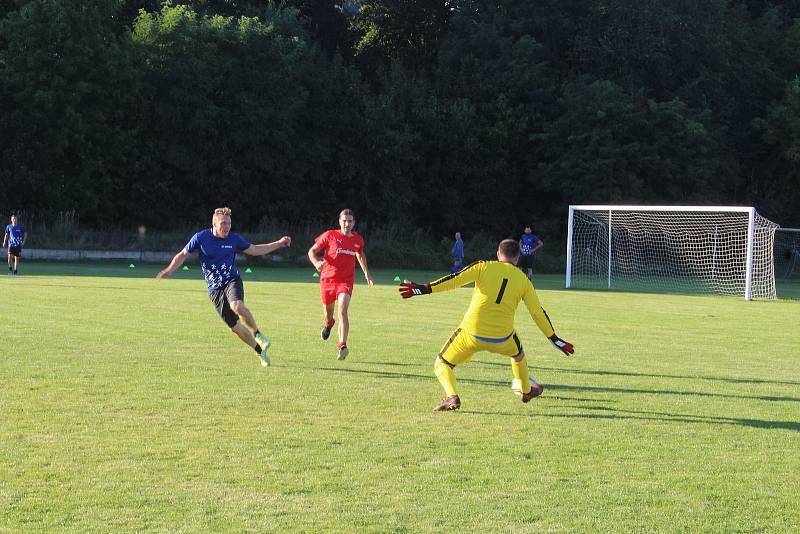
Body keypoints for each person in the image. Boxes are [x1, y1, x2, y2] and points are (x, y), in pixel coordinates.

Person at [399, 239, 574, 412]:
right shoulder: (524, 280)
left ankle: (452, 396)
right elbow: (537, 313)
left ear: (498, 254)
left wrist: (422, 289)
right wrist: (555, 339)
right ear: (518, 257)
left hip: (471, 333)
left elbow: (455, 279)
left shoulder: (483, 266)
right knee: (518, 355)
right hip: (503, 337)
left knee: (441, 364)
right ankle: (526, 391)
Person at [156, 207, 291, 368]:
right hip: (214, 290)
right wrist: (169, 270)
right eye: (223, 223)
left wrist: (278, 243)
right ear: (213, 224)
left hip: (232, 280)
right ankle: (260, 352)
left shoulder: (234, 239)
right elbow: (182, 255)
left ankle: (258, 333)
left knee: (237, 306)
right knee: (235, 328)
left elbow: (255, 250)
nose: (226, 227)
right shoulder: (200, 238)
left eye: (228, 223)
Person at [308, 208, 374, 360]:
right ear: (339, 222)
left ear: (354, 223)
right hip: (327, 281)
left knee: (343, 310)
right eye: (344, 221)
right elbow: (311, 251)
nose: (347, 224)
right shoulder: (330, 235)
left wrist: (366, 274)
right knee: (329, 314)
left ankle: (342, 345)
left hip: (346, 282)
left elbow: (360, 253)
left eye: (350, 221)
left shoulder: (358, 240)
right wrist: (316, 262)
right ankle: (329, 324)